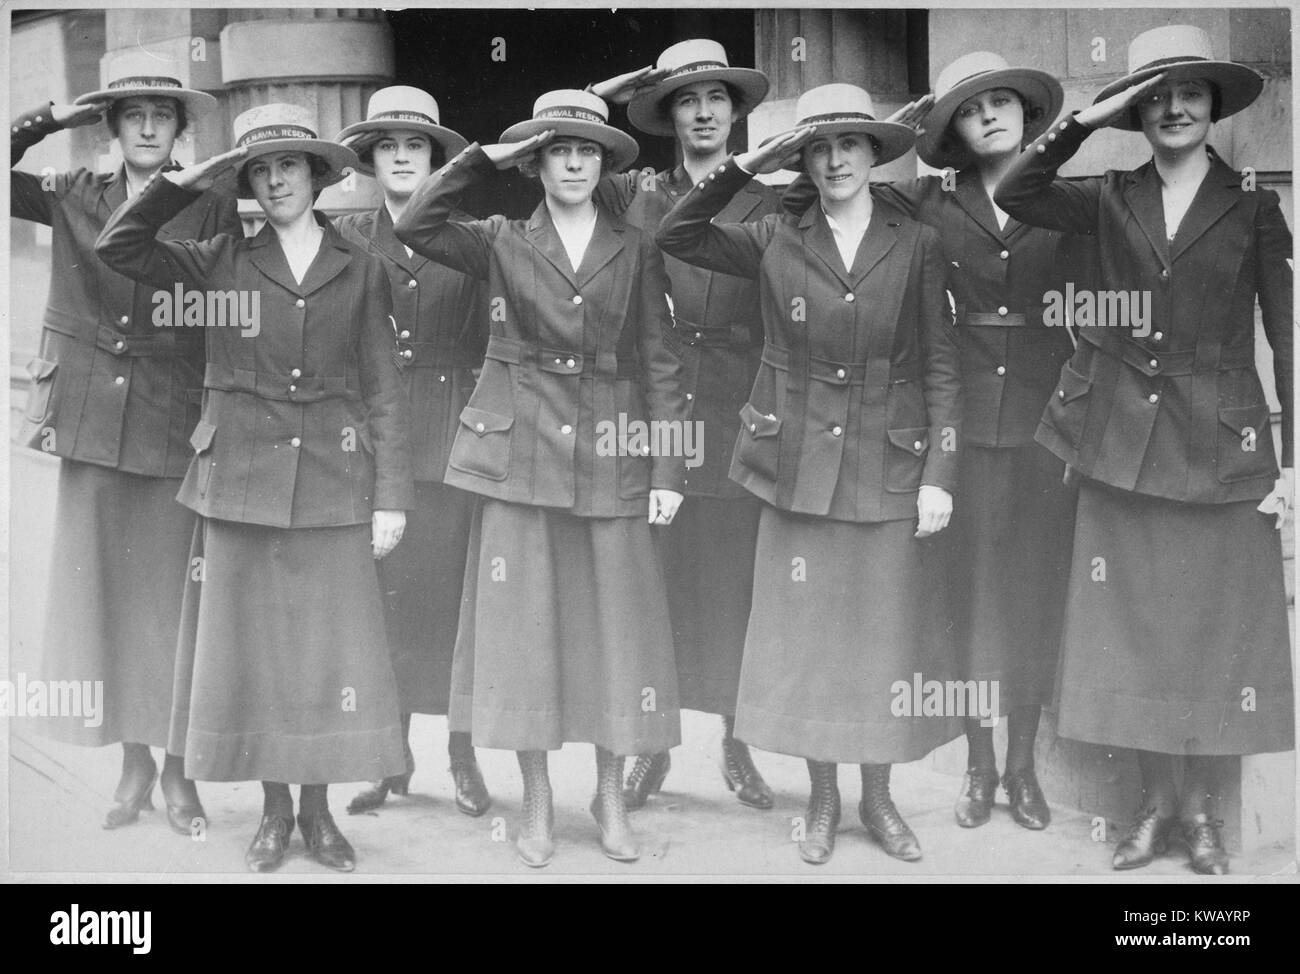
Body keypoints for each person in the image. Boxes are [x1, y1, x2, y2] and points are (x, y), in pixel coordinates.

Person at [994, 24, 1294, 874]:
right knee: (1136, 633)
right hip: (1119, 438)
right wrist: (1090, 119)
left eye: (1189, 92)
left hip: (1224, 446)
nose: (1173, 107)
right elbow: (1018, 188)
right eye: (1155, 94)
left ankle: (1201, 817)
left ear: (1213, 106)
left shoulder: (1254, 206)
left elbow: (1289, 330)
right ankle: (1154, 808)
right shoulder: (1106, 194)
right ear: (1138, 108)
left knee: (1212, 634)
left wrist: (1297, 456)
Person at [96, 103, 413, 873]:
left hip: (337, 481)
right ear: (245, 181)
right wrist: (184, 182)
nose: (276, 181)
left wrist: (392, 494)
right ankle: (275, 813)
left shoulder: (362, 266)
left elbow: (383, 388)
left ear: (316, 175)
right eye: (261, 169)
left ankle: (319, 813)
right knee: (262, 655)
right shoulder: (216, 262)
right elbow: (120, 244)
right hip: (240, 480)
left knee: (326, 658)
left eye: (290, 165)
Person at [657, 83, 963, 865]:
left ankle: (880, 798)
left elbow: (940, 362)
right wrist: (742, 165)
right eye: (819, 148)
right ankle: (823, 799)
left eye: (849, 145)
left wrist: (940, 472)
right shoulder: (771, 235)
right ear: (802, 159)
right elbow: (680, 229)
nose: (834, 161)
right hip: (795, 460)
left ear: (872, 154)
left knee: (881, 635)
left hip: (887, 460)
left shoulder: (916, 239)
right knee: (814, 639)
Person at [394, 89, 690, 867]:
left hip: (611, 452)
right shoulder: (498, 239)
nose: (572, 162)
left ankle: (611, 798)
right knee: (525, 636)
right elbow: (413, 224)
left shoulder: (637, 242)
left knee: (613, 636)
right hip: (517, 450)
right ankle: (535, 804)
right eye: (557, 149)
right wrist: (476, 159)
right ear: (535, 163)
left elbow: (659, 359)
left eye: (586, 150)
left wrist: (668, 466)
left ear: (602, 164)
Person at [784, 52, 1078, 831]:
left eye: (1001, 102)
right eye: (968, 108)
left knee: (1032, 594)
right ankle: (979, 768)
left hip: (1049, 424)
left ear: (1029, 114)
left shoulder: (1068, 201)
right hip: (958, 422)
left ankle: (1023, 770)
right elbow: (833, 184)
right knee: (969, 597)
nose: (988, 116)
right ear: (950, 127)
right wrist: (905, 125)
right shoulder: (928, 203)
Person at [12, 53, 240, 836]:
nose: (147, 125)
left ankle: (178, 773)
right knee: (103, 600)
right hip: (90, 422)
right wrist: (50, 120)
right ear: (109, 125)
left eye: (162, 113)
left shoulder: (209, 203)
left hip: (173, 422)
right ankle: (132, 765)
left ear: (180, 128)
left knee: (172, 608)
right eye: (131, 112)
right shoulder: (74, 192)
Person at [585, 39, 780, 811]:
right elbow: (549, 145)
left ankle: (736, 745)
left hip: (738, 400)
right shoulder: (628, 191)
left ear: (737, 112)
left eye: (715, 99)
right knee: (651, 583)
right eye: (685, 101)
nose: (702, 113)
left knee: (735, 581)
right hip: (654, 410)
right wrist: (610, 88)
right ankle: (650, 748)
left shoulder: (770, 196)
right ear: (666, 116)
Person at [334, 86, 492, 818]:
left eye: (417, 146)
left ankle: (462, 757)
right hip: (370, 445)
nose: (401, 157)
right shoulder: (346, 237)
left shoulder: (470, 236)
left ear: (438, 159)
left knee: (456, 606)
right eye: (388, 146)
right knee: (382, 609)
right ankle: (386, 760)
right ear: (369, 158)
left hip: (453, 441)